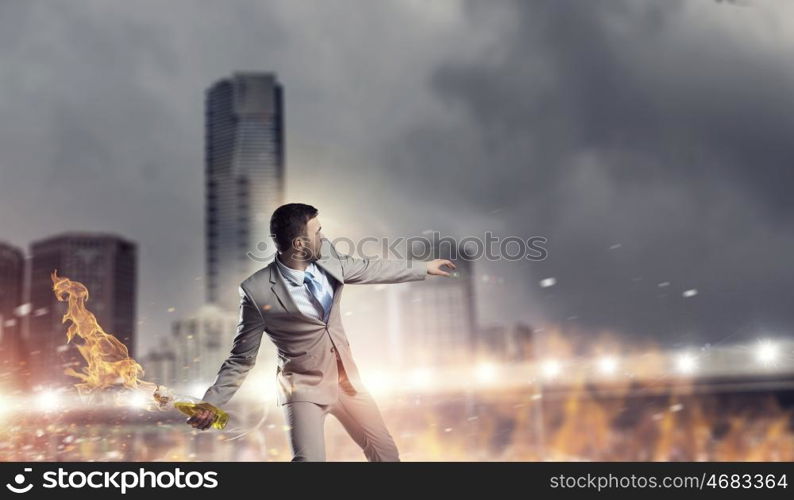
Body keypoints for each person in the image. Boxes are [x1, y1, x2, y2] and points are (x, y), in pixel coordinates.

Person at [188, 203, 455, 461]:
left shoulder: (328, 256)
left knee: (387, 455)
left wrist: (423, 268)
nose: (323, 236)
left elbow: (367, 268)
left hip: (348, 383)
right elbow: (241, 358)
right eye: (317, 232)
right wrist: (211, 403)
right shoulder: (256, 291)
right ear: (299, 244)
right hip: (303, 388)